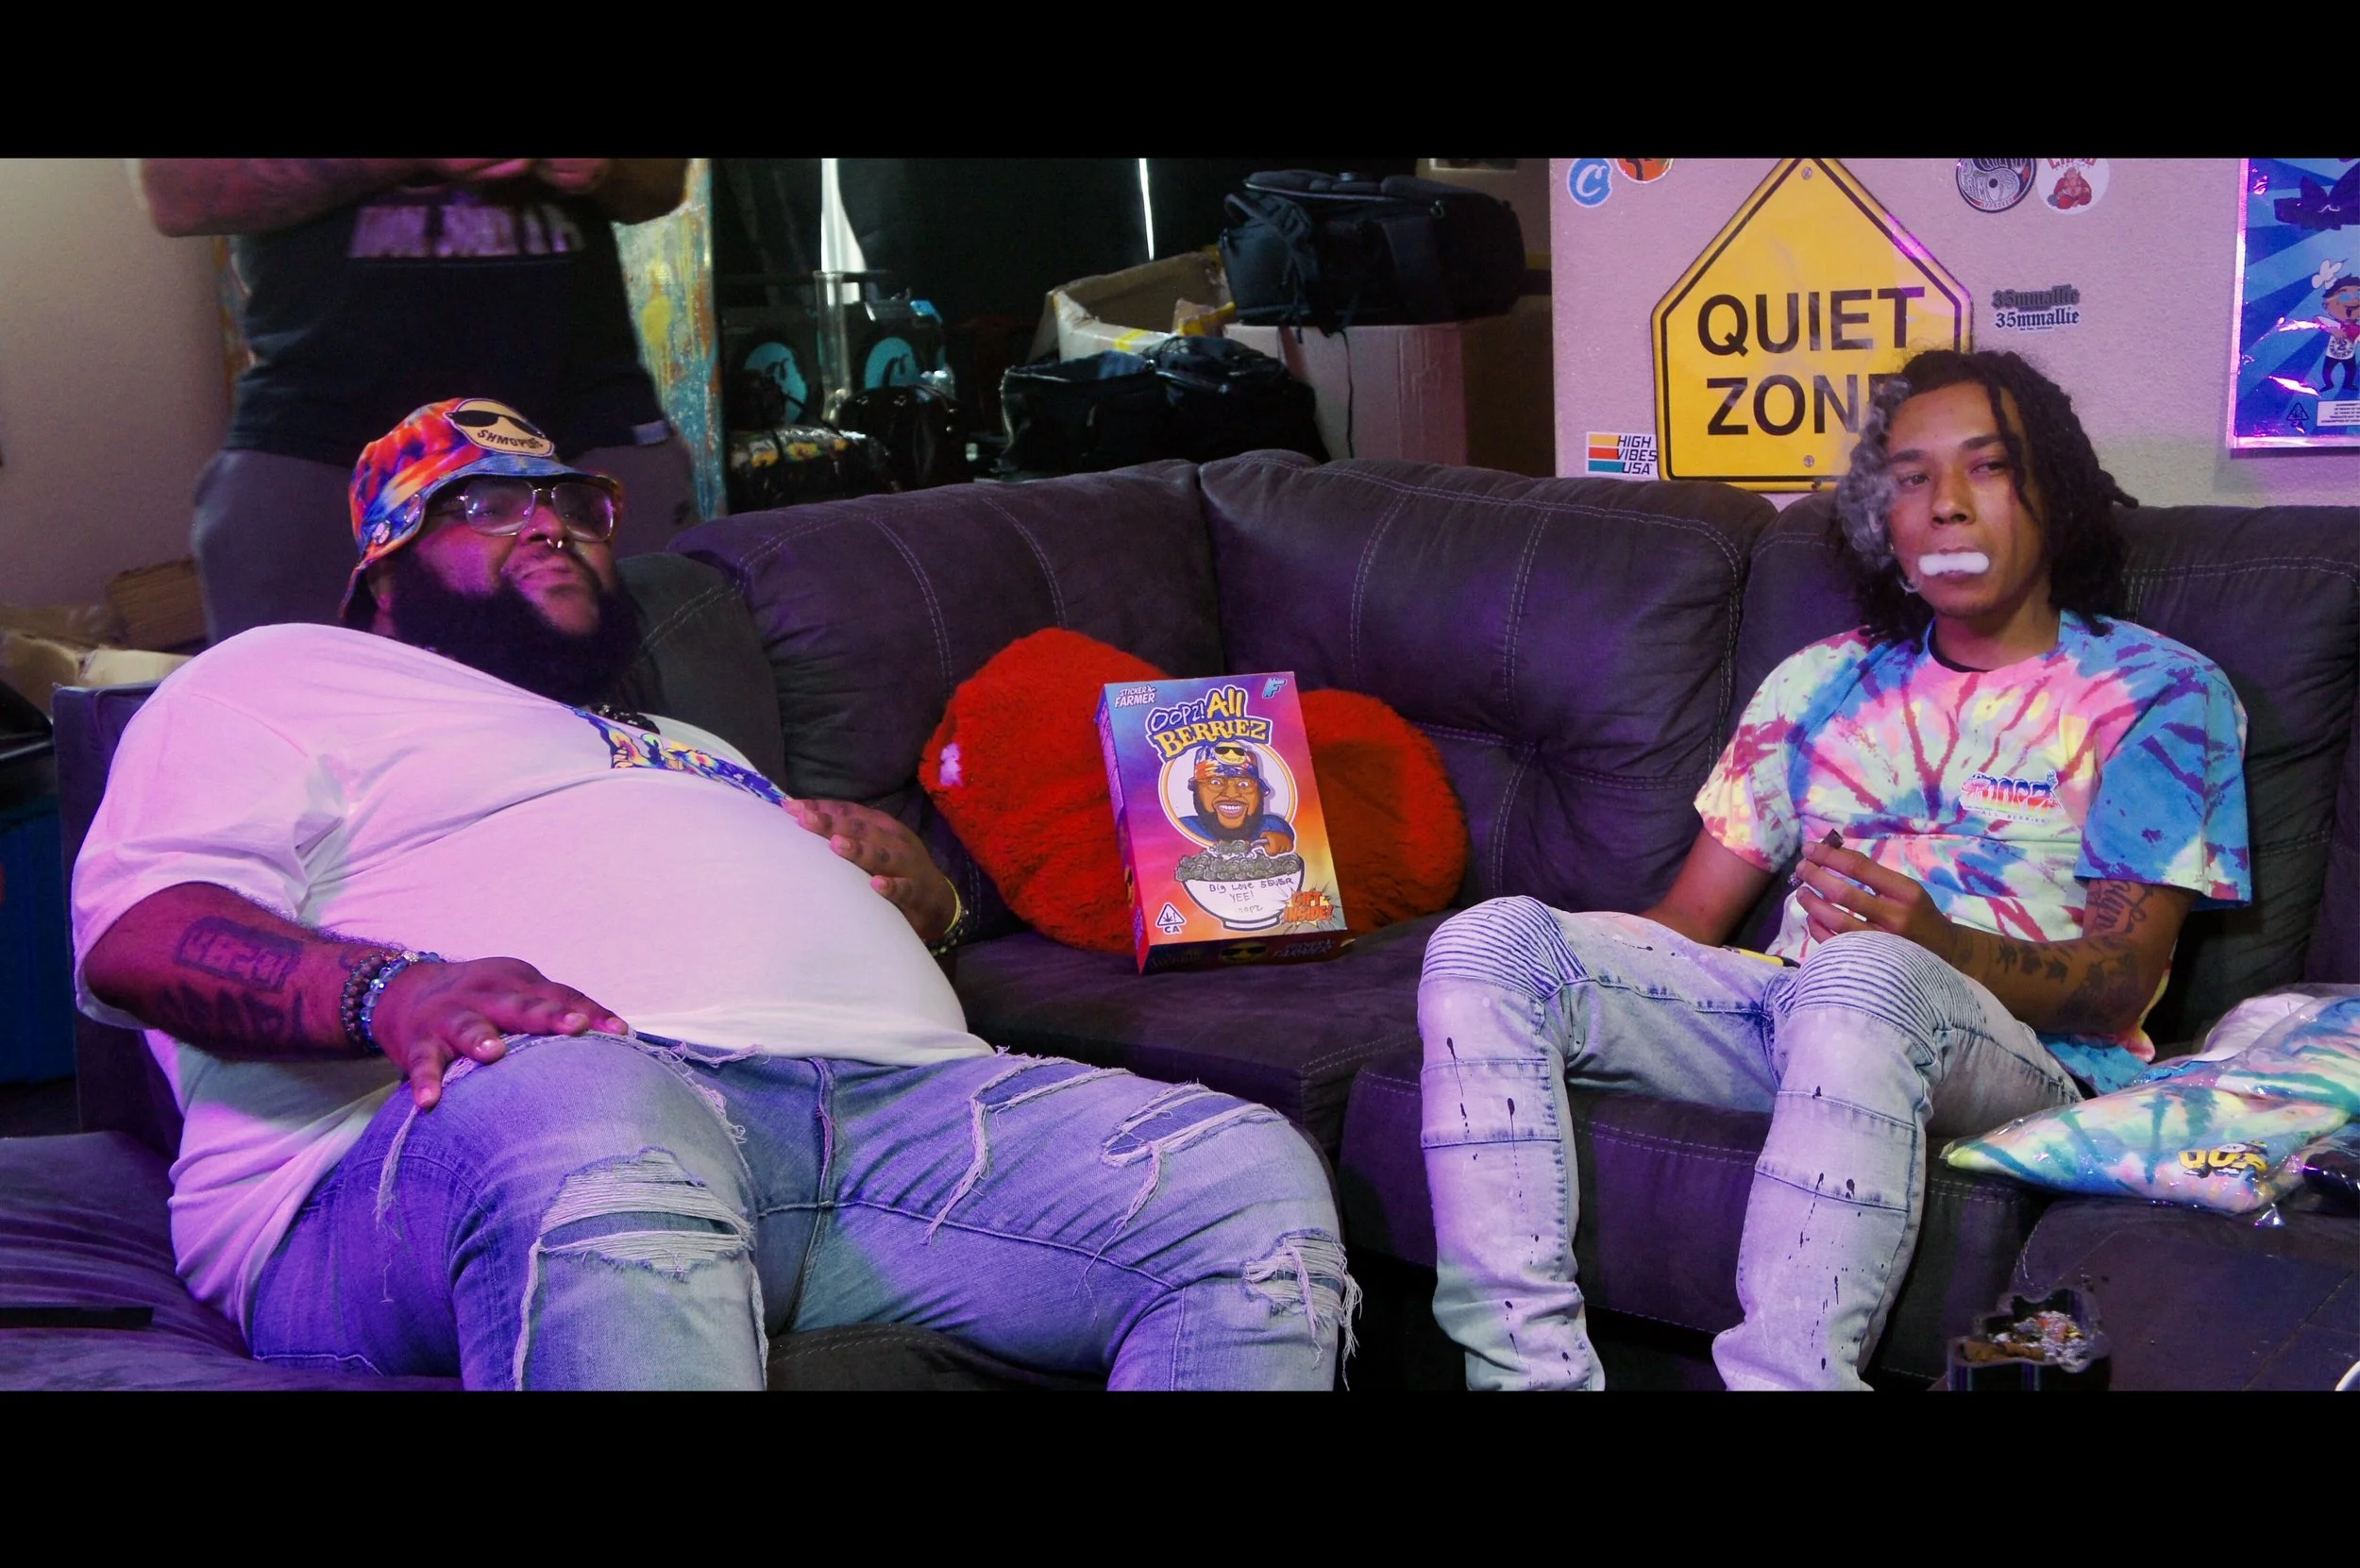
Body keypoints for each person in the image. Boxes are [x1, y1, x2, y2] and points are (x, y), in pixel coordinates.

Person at [71, 396, 1353, 1391]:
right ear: (381, 574)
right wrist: (395, 988)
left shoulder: (684, 744)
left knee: (1239, 1176)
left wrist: (929, 904)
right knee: (595, 1105)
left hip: (899, 1112)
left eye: (571, 501)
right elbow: (142, 933)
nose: (550, 524)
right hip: (459, 1143)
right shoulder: (282, 675)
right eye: (486, 504)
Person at [1417, 349, 2251, 1391]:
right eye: (1910, 477)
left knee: (1865, 975)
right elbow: (1689, 918)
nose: (1946, 504)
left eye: (1988, 466)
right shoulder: (1819, 681)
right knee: (1493, 941)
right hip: (1795, 1009)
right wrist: (1584, 976)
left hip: (2022, 1051)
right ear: (1881, 521)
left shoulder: (2157, 692)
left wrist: (1940, 946)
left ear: (2059, 495)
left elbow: (2121, 983)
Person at [135, 159, 703, 644]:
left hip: (583, 423)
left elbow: (660, 185)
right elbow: (177, 194)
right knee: (291, 714)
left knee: (659, 702)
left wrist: (607, 166)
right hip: (321, 433)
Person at [1180, 742, 1294, 855]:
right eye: (1215, 782)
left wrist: (1281, 842)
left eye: (1244, 784)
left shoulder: (1273, 826)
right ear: (1197, 790)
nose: (1232, 794)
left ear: (1259, 792)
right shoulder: (1184, 828)